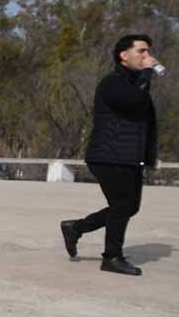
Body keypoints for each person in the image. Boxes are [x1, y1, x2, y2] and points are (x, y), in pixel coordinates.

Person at [61, 34, 160, 276]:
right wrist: (148, 74)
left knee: (128, 207)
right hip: (108, 156)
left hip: (129, 157)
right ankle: (111, 257)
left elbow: (144, 124)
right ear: (123, 55)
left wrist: (149, 156)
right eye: (142, 52)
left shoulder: (135, 84)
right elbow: (134, 103)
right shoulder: (112, 82)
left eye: (148, 52)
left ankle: (76, 227)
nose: (147, 57)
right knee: (122, 205)